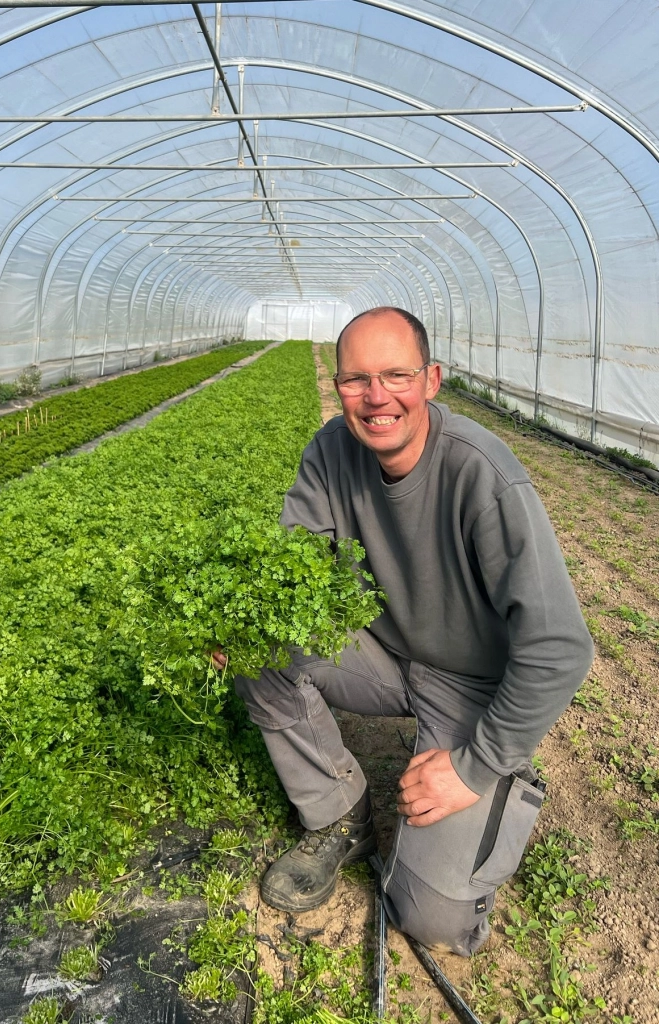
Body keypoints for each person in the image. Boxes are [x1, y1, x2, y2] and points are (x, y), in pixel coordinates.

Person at [224, 307, 594, 956]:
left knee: (431, 920)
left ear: (431, 380)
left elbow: (559, 646)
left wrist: (472, 766)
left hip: (472, 685)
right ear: (335, 384)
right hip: (383, 652)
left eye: (395, 375)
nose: (375, 397)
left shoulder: (481, 474)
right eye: (355, 379)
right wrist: (240, 616)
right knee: (261, 644)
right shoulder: (331, 452)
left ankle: (500, 780)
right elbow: (296, 568)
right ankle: (338, 814)